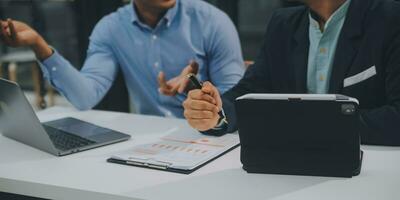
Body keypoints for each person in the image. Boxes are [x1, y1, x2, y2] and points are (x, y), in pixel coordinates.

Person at [182, 0, 400, 145]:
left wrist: (306, 125)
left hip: (369, 170)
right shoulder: (283, 24)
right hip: (290, 168)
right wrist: (214, 113)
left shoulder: (390, 18)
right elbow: (248, 91)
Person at [0, 0, 244, 118]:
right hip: (151, 143)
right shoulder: (111, 29)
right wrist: (39, 46)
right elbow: (85, 96)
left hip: (210, 139)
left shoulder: (213, 21)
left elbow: (237, 105)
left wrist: (199, 91)